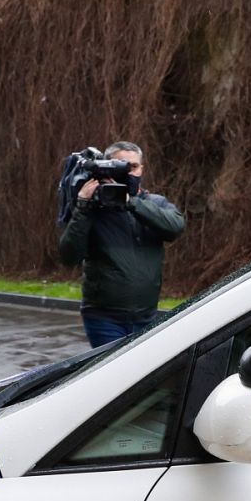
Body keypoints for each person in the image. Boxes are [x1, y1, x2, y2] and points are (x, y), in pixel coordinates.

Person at [58, 141, 185, 348]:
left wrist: (131, 202)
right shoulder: (93, 208)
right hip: (104, 319)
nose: (128, 172)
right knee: (117, 376)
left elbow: (175, 227)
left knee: (144, 376)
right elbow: (69, 256)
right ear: (107, 166)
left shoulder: (154, 202)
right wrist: (82, 207)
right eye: (121, 165)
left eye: (133, 166)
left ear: (142, 169)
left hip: (147, 317)